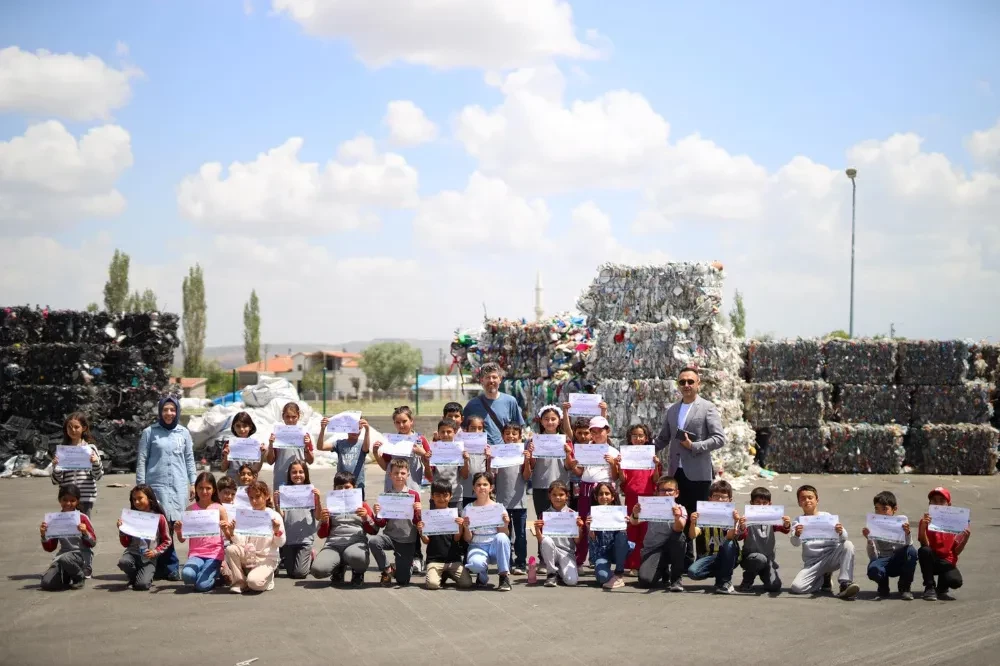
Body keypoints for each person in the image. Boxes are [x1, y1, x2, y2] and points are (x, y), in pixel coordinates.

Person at [652, 367, 726, 567]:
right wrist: (641, 451)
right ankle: (684, 558)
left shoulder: (707, 408)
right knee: (680, 515)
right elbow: (663, 438)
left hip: (699, 472)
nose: (686, 385)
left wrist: (694, 446)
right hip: (676, 472)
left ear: (698, 384)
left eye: (690, 381)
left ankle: (703, 560)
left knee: (699, 515)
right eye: (682, 382)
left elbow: (719, 439)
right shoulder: (673, 409)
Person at [135, 396, 195, 582]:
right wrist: (141, 487)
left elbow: (189, 459)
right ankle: (168, 566)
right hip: (156, 486)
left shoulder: (183, 433)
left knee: (173, 525)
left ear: (177, 412)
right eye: (165, 410)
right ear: (160, 411)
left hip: (177, 486)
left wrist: (192, 482)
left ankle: (165, 566)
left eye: (172, 410)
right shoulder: (149, 432)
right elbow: (142, 460)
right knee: (157, 526)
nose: (169, 413)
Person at [789, 484, 859, 599]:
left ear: (817, 500)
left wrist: (840, 531)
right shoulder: (798, 521)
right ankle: (823, 578)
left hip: (831, 557)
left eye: (810, 497)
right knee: (797, 588)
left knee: (848, 545)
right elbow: (795, 543)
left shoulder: (827, 517)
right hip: (813, 563)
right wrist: (797, 534)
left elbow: (844, 537)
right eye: (803, 498)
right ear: (799, 502)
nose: (807, 500)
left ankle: (845, 583)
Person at [564, 413, 616, 568]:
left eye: (600, 430)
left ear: (607, 431)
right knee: (584, 524)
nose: (596, 434)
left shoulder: (613, 451)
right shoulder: (585, 449)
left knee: (604, 525)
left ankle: (601, 559)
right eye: (593, 431)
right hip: (586, 489)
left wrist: (613, 464)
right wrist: (570, 459)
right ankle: (579, 559)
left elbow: (616, 476)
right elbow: (579, 472)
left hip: (605, 492)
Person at [311, 471, 378, 587]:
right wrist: (324, 520)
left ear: (354, 488)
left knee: (358, 558)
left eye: (347, 487)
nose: (343, 490)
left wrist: (366, 517)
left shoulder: (362, 505)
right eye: (339, 487)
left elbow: (374, 530)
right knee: (318, 570)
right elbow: (321, 535)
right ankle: (338, 567)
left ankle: (358, 572)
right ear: (334, 488)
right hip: (333, 545)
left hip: (355, 543)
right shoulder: (331, 506)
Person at [526, 405, 572, 571]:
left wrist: (567, 453)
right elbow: (531, 465)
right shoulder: (534, 440)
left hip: (561, 486)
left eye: (553, 419)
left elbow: (568, 466)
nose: (550, 422)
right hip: (541, 485)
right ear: (541, 421)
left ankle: (563, 555)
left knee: (561, 523)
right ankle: (544, 559)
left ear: (559, 420)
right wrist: (531, 454)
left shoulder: (565, 440)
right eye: (546, 419)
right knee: (542, 522)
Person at [222, 480, 285, 594]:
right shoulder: (247, 515)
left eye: (258, 497)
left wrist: (277, 531)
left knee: (254, 583)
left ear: (266, 496)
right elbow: (240, 542)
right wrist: (232, 532)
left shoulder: (274, 516)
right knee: (231, 549)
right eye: (251, 498)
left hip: (266, 559)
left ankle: (267, 578)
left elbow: (280, 543)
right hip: (249, 554)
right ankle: (240, 582)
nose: (254, 501)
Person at [369, 458, 422, 587]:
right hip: (390, 536)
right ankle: (387, 569)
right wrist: (377, 514)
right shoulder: (386, 495)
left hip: (407, 539)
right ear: (390, 475)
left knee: (402, 581)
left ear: (408, 475)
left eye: (403, 473)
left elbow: (417, 521)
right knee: (374, 541)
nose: (399, 476)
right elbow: (381, 523)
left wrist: (418, 512)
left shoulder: (414, 495)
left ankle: (404, 566)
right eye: (396, 473)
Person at [616, 423, 660, 575]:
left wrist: (655, 465)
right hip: (631, 496)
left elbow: (656, 480)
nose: (638, 438)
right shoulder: (627, 456)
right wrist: (620, 466)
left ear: (646, 438)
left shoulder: (651, 456)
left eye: (641, 435)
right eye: (634, 435)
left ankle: (644, 563)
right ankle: (632, 564)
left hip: (648, 496)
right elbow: (623, 479)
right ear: (630, 438)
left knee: (646, 530)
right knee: (632, 529)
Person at [175, 472, 228, 592]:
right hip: (196, 554)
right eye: (201, 488)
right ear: (196, 489)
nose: (204, 491)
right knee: (187, 575)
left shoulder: (219, 509)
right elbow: (182, 539)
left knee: (202, 586)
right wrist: (178, 531)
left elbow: (229, 536)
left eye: (208, 488)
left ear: (214, 489)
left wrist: (226, 529)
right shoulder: (190, 510)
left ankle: (215, 574)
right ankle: (207, 573)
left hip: (214, 554)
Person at [632, 475, 687, 591]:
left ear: (676, 493)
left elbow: (679, 528)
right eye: (663, 490)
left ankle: (676, 578)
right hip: (653, 549)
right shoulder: (650, 506)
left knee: (679, 537)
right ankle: (663, 569)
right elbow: (634, 522)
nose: (666, 493)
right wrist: (635, 513)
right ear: (657, 492)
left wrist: (677, 517)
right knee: (645, 581)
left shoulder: (680, 508)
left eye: (670, 490)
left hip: (671, 547)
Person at [686, 479, 740, 594]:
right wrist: (692, 522)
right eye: (716, 496)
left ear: (729, 500)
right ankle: (721, 575)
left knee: (729, 543)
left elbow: (731, 536)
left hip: (727, 555)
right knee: (693, 572)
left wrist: (735, 522)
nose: (719, 500)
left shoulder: (733, 515)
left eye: (723, 497)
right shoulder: (703, 514)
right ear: (710, 498)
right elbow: (692, 535)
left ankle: (726, 581)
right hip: (708, 557)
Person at [39, 484, 96, 591]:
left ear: (77, 501)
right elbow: (50, 548)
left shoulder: (82, 518)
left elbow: (92, 543)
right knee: (46, 583)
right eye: (65, 500)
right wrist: (44, 535)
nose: (68, 503)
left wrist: (85, 532)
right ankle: (66, 576)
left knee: (66, 558)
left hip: (81, 555)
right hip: (63, 555)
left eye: (72, 500)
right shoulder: (54, 519)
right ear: (60, 500)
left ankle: (80, 576)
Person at [862, 490, 917, 601]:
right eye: (877, 509)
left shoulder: (901, 522)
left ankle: (905, 587)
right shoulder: (874, 524)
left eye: (885, 509)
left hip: (899, 560)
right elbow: (873, 556)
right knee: (873, 568)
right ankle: (883, 586)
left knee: (912, 552)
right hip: (884, 560)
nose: (880, 513)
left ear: (894, 509)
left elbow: (908, 546)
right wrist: (869, 539)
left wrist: (907, 533)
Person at [462, 472, 513, 592]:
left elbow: (504, 534)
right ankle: (482, 575)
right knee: (475, 565)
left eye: (485, 484)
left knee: (501, 537)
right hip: (477, 546)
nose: (482, 487)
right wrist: (466, 527)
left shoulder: (498, 508)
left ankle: (504, 576)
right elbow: (468, 539)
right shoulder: (468, 509)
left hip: (495, 547)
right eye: (478, 485)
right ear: (473, 488)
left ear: (491, 487)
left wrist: (505, 524)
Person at [918, 486, 970, 601]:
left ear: (949, 505)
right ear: (929, 504)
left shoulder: (957, 523)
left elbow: (956, 551)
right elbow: (924, 544)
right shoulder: (925, 521)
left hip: (947, 560)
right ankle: (929, 586)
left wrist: (965, 539)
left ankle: (942, 587)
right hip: (931, 559)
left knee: (956, 581)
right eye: (934, 501)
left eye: (942, 501)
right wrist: (923, 528)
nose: (938, 504)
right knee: (924, 551)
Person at [117, 484, 172, 591]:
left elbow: (167, 540)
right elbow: (125, 543)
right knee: (123, 562)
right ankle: (133, 577)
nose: (136, 502)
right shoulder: (131, 517)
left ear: (150, 499)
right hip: (132, 553)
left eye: (140, 498)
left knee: (142, 585)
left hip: (149, 558)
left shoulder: (159, 518)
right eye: (134, 499)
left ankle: (142, 576)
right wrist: (121, 530)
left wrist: (155, 552)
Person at [420, 480, 472, 590]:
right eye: (437, 495)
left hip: (453, 560)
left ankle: (447, 573)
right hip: (435, 560)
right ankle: (441, 574)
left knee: (466, 584)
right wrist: (421, 530)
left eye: (445, 495)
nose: (441, 499)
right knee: (432, 585)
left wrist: (460, 526)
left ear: (451, 496)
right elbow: (426, 541)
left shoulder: (455, 515)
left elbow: (457, 538)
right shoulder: (428, 517)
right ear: (432, 496)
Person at [737, 486, 790, 593]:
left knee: (774, 587)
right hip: (751, 558)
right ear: (751, 503)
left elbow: (784, 529)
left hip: (768, 559)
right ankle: (747, 579)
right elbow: (740, 536)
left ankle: (765, 574)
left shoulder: (772, 517)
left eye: (764, 502)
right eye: (757, 502)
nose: (761, 505)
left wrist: (786, 524)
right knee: (759, 559)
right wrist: (742, 527)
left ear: (770, 504)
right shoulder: (746, 518)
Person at [273, 460, 321, 579]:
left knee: (300, 573)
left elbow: (318, 516)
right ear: (289, 475)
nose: (297, 475)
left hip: (305, 539)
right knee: (290, 572)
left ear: (306, 474)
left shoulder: (311, 491)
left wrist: (318, 499)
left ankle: (311, 555)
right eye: (294, 472)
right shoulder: (285, 491)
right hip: (289, 540)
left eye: (301, 472)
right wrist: (276, 502)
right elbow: (282, 515)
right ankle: (300, 558)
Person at [494, 422, 530, 575]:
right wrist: (491, 458)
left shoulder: (523, 453)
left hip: (520, 501)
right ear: (502, 436)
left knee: (521, 534)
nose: (511, 436)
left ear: (520, 436)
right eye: (507, 433)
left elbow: (527, 476)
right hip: (502, 501)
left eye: (514, 434)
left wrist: (527, 460)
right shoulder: (498, 452)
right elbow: (492, 475)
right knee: (504, 533)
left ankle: (521, 563)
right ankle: (506, 562)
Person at [51, 412, 103, 518]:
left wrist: (95, 463)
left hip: (85, 498)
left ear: (84, 428)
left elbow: (98, 476)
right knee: (69, 529)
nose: (73, 430)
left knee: (84, 528)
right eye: (69, 427)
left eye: (76, 427)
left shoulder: (91, 449)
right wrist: (56, 467)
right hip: (67, 499)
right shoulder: (62, 450)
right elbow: (55, 481)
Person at [463, 363, 525, 446]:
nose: (491, 380)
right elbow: (464, 430)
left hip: (504, 453)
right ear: (482, 380)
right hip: (481, 453)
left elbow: (519, 430)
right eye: (487, 377)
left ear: (500, 379)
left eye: (494, 377)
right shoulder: (472, 405)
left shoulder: (510, 401)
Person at [534, 480, 581, 587]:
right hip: (552, 550)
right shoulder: (545, 515)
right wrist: (537, 529)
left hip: (567, 553)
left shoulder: (572, 515)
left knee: (571, 581)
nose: (558, 498)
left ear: (567, 496)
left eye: (561, 495)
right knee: (547, 541)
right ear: (549, 496)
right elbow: (542, 542)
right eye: (554, 495)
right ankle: (551, 573)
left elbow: (577, 541)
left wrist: (579, 528)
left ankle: (560, 571)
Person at [585, 481, 630, 590]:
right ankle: (611, 576)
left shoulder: (620, 513)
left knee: (621, 535)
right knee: (603, 577)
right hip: (601, 553)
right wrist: (589, 529)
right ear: (596, 496)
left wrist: (625, 525)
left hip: (616, 550)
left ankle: (619, 573)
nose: (604, 496)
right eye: (600, 494)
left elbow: (622, 539)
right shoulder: (591, 515)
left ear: (613, 496)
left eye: (607, 493)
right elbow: (593, 543)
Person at [419, 418, 469, 509]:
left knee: (457, 522)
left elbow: (465, 476)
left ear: (454, 432)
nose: (445, 435)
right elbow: (429, 477)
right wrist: (427, 463)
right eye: (442, 432)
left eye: (449, 432)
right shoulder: (433, 450)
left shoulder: (460, 450)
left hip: (455, 496)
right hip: (437, 497)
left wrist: (465, 461)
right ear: (438, 433)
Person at [265, 402, 314, 494]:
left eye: (294, 417)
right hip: (281, 477)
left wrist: (307, 446)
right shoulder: (277, 435)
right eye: (287, 416)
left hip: (298, 478)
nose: (290, 420)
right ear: (283, 417)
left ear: (298, 416)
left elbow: (310, 461)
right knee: (281, 505)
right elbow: (270, 461)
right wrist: (271, 444)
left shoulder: (304, 435)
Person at [317, 415, 371, 497]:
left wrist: (367, 430)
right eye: (352, 428)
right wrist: (323, 429)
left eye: (358, 428)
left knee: (358, 508)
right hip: (341, 484)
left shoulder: (362, 444)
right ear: (346, 428)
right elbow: (320, 447)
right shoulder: (339, 443)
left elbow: (366, 448)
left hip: (357, 484)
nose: (355, 431)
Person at [220, 412, 264, 482]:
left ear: (250, 427)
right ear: (233, 427)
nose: (241, 429)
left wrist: (262, 454)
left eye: (245, 426)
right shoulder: (228, 444)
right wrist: (226, 456)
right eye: (238, 426)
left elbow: (256, 469)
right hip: (232, 484)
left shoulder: (255, 445)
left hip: (249, 484)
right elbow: (223, 469)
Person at [460, 415, 489, 507]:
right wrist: (465, 460)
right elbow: (464, 475)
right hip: (465, 493)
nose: (476, 431)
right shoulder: (461, 448)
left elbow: (490, 474)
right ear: (466, 430)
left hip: (482, 493)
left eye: (480, 428)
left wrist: (489, 458)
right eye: (473, 428)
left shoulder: (487, 449)